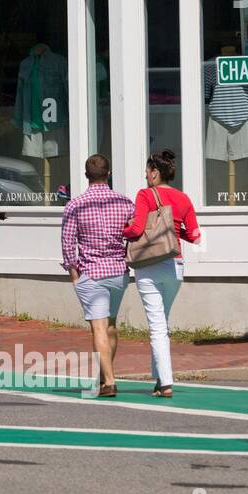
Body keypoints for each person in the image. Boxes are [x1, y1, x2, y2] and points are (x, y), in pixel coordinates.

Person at [123, 149, 201, 399]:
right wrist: (175, 232)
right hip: (175, 264)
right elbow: (194, 235)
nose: (146, 176)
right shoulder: (184, 198)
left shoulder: (145, 194)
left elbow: (136, 229)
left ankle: (166, 382)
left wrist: (119, 231)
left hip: (149, 265)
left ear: (155, 173)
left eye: (147, 172)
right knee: (162, 323)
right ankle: (159, 379)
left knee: (157, 326)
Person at [60, 154, 135, 398]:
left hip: (91, 272)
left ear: (86, 176)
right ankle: (105, 377)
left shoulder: (76, 204)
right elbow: (134, 234)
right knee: (111, 324)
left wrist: (73, 272)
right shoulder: (125, 203)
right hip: (117, 271)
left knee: (98, 327)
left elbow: (67, 242)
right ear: (108, 173)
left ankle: (109, 381)